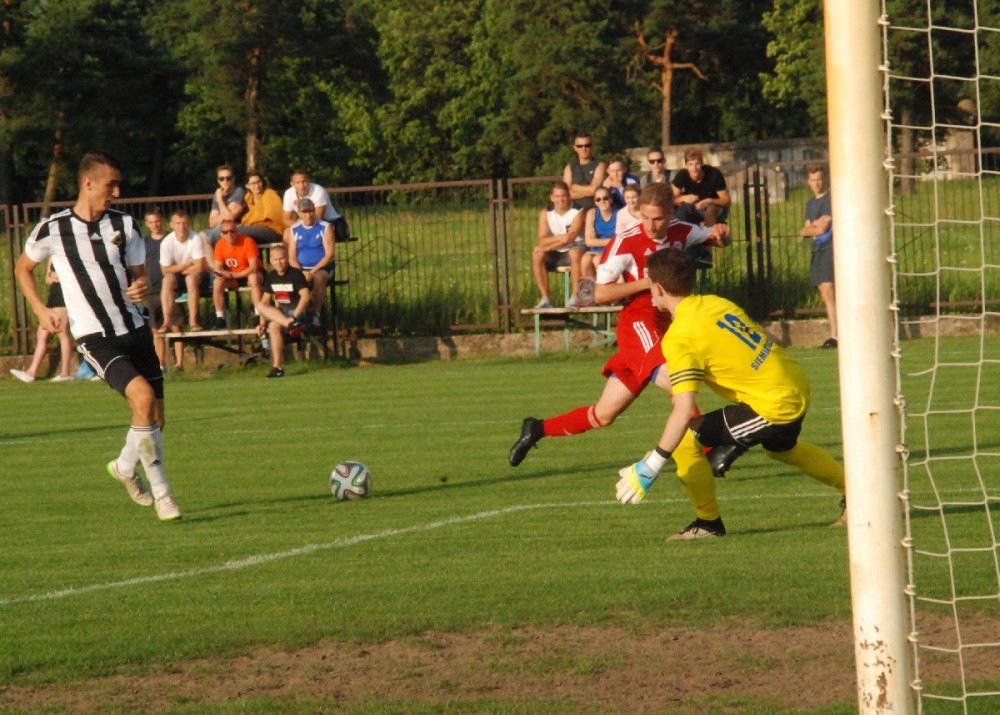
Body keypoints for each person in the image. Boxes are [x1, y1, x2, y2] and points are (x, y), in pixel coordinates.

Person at [615, 248, 846, 539]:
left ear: (657, 288)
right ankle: (855, 494)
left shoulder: (680, 337)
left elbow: (684, 410)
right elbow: (760, 337)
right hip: (793, 380)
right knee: (782, 450)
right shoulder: (715, 302)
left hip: (774, 402)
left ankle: (708, 523)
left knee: (685, 443)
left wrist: (653, 464)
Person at [510, 183, 731, 467]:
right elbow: (598, 293)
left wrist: (722, 234)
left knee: (603, 415)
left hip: (665, 325)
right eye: (645, 217)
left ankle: (537, 428)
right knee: (678, 381)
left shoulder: (681, 231)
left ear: (671, 212)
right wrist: (649, 283)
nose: (650, 225)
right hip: (638, 323)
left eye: (658, 218)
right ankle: (713, 449)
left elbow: (716, 238)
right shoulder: (625, 242)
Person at [13, 150, 181, 521]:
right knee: (142, 396)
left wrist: (142, 287)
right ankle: (164, 494)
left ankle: (124, 466)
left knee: (156, 418)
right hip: (96, 336)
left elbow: (139, 277)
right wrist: (40, 310)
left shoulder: (125, 225)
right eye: (111, 185)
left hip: (135, 328)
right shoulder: (53, 229)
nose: (117, 192)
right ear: (88, 183)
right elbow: (22, 268)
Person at [10, 260, 75, 383]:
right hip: (53, 295)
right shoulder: (52, 257)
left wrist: (59, 276)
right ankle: (31, 372)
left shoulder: (68, 255)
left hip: (63, 296)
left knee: (62, 333)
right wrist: (54, 276)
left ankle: (65, 373)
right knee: (42, 334)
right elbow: (48, 279)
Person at [255, 243, 309, 378]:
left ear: (287, 258)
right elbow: (265, 301)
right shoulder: (272, 276)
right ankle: (277, 368)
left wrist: (294, 317)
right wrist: (262, 323)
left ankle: (291, 323)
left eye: (282, 259)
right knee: (264, 313)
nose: (279, 262)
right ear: (270, 261)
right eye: (275, 259)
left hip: (297, 313)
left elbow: (306, 296)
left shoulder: (295, 274)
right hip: (284, 317)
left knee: (273, 322)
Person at [530, 181, 585, 309]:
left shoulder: (578, 211)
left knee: (575, 252)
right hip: (556, 250)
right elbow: (542, 240)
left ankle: (575, 297)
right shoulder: (545, 213)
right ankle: (546, 298)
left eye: (564, 196)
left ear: (569, 196)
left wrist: (549, 246)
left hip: (574, 247)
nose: (560, 200)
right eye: (557, 196)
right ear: (552, 198)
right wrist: (560, 237)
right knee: (537, 253)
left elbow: (571, 238)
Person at [800, 165, 837, 348]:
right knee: (823, 291)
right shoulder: (810, 204)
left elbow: (822, 228)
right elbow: (804, 231)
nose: (817, 184)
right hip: (817, 250)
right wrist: (813, 226)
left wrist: (813, 226)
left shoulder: (831, 199)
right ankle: (836, 332)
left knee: (829, 290)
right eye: (813, 180)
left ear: (826, 179)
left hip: (830, 249)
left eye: (819, 179)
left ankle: (836, 335)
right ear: (809, 182)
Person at [143, 207, 184, 370]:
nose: (155, 225)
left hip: (171, 288)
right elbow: (143, 264)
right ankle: (160, 364)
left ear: (163, 221)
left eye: (157, 221)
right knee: (156, 328)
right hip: (153, 289)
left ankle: (179, 364)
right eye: (151, 222)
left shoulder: (171, 238)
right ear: (147, 224)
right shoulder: (144, 242)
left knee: (176, 325)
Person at [285, 197, 335, 326]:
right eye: (305, 212)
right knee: (285, 279)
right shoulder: (294, 229)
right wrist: (301, 272)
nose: (308, 215)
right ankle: (292, 314)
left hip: (322, 268)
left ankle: (316, 314)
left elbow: (329, 255)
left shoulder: (325, 227)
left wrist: (312, 272)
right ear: (299, 213)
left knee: (319, 278)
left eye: (311, 211)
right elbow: (292, 256)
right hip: (301, 269)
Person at [158, 209, 207, 332]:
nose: (182, 227)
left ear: (189, 223)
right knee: (167, 280)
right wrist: (187, 264)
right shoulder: (166, 242)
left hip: (198, 276)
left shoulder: (196, 238)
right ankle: (166, 322)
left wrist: (176, 269)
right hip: (181, 274)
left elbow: (200, 267)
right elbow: (164, 271)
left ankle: (193, 322)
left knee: (191, 279)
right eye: (178, 223)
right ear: (172, 225)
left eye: (184, 223)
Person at [211, 219, 263, 329]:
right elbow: (217, 268)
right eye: (225, 232)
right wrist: (221, 275)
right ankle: (220, 318)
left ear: (237, 231)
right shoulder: (220, 245)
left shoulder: (247, 241)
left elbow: (253, 268)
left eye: (232, 231)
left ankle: (258, 314)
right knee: (217, 282)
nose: (229, 234)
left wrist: (232, 275)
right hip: (233, 276)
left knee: (253, 278)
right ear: (221, 234)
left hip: (251, 273)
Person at [671, 149, 731, 226]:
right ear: (686, 166)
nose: (694, 168)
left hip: (716, 206)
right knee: (681, 210)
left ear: (702, 163)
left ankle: (709, 233)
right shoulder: (682, 175)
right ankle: (684, 232)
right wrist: (683, 198)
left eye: (697, 164)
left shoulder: (714, 174)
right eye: (690, 164)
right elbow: (671, 199)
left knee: (710, 210)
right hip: (693, 207)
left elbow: (726, 200)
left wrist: (709, 201)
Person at [202, 164, 247, 246]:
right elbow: (211, 223)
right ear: (218, 181)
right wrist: (224, 215)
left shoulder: (238, 192)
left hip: (236, 229)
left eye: (228, 178)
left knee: (203, 237)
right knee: (198, 238)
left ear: (233, 179)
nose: (225, 181)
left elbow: (229, 218)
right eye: (221, 179)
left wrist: (220, 199)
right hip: (220, 229)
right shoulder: (218, 195)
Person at [561, 132, 606, 211]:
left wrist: (574, 187)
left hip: (594, 210)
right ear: (575, 148)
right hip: (574, 211)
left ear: (592, 146)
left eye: (587, 145)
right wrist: (587, 192)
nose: (584, 149)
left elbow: (594, 190)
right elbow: (565, 194)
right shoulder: (569, 168)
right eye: (580, 146)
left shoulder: (600, 165)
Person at [238, 172, 284, 246]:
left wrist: (248, 224)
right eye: (253, 183)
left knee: (237, 231)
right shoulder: (247, 198)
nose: (257, 186)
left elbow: (276, 216)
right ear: (247, 186)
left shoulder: (270, 194)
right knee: (229, 232)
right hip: (254, 230)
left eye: (259, 182)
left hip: (273, 230)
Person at [582, 188, 617, 278]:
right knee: (585, 259)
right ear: (595, 202)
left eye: (605, 198)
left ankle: (603, 285)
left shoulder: (618, 214)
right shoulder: (592, 213)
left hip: (613, 249)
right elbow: (588, 242)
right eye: (598, 199)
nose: (602, 201)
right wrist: (611, 240)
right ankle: (588, 286)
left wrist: (596, 240)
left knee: (598, 260)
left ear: (611, 199)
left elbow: (619, 240)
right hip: (596, 249)